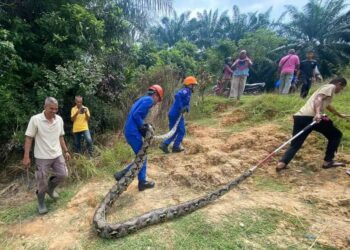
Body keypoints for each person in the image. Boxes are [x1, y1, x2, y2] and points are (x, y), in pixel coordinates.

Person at [276, 77, 350, 172]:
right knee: (336, 135)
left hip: (300, 117)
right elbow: (318, 99)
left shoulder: (326, 91)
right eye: (342, 88)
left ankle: (282, 164)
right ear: (339, 84)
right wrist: (318, 113)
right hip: (313, 118)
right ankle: (328, 161)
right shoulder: (330, 87)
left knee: (295, 144)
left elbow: (328, 106)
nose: (341, 90)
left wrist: (339, 115)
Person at [22, 97, 71, 214]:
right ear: (45, 107)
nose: (54, 111)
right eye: (51, 109)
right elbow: (29, 138)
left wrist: (66, 151)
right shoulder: (35, 120)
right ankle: (41, 202)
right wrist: (26, 156)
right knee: (41, 182)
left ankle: (51, 189)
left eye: (56, 109)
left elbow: (61, 137)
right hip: (42, 157)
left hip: (57, 154)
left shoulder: (59, 120)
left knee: (63, 174)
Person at [114, 85, 164, 191]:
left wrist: (143, 127)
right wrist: (143, 126)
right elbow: (137, 115)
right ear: (155, 95)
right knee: (142, 156)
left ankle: (129, 176)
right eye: (158, 99)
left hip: (130, 131)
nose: (156, 103)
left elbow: (135, 115)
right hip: (133, 132)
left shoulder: (142, 99)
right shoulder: (149, 100)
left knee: (141, 156)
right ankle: (138, 180)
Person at [159, 76, 197, 154]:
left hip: (176, 114)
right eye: (193, 85)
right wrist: (180, 108)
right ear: (189, 85)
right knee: (181, 131)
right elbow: (177, 95)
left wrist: (187, 108)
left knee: (175, 131)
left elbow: (187, 104)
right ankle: (175, 146)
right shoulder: (185, 91)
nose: (194, 87)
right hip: (176, 114)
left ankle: (166, 145)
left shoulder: (188, 93)